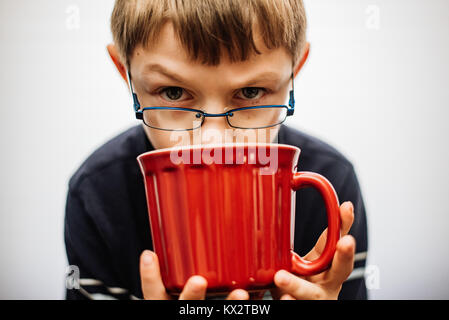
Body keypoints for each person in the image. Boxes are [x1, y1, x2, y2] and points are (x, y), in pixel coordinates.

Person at [65, 0, 368, 300]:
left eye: (250, 92)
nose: (214, 142)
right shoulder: (97, 195)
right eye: (174, 93)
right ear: (126, 73)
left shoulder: (331, 188)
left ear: (293, 72)